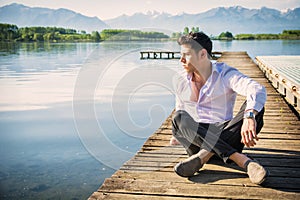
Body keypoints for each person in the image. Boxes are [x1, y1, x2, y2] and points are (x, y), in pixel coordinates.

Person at [171, 32, 268, 185]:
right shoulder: (180, 79)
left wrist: (249, 116)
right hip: (197, 143)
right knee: (179, 118)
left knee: (256, 110)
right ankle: (243, 161)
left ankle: (204, 156)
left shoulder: (225, 73)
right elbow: (180, 108)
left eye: (186, 55)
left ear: (203, 54)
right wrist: (179, 133)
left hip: (226, 135)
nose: (181, 60)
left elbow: (257, 89)